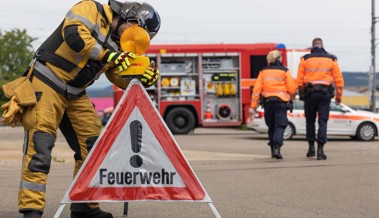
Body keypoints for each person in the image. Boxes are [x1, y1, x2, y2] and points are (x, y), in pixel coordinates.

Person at [1, 0, 161, 217]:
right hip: (46, 82)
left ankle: (84, 206)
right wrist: (108, 55)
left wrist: (141, 77)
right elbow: (74, 35)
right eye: (136, 32)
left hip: (75, 93)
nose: (133, 39)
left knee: (95, 148)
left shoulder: (120, 42)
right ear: (130, 18)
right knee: (40, 146)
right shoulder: (91, 10)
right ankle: (32, 211)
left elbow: (116, 74)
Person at [296, 38, 344, 160]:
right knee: (323, 122)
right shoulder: (331, 59)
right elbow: (339, 81)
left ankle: (311, 148)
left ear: (312, 46)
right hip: (324, 94)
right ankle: (320, 150)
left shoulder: (305, 59)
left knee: (310, 121)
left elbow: (299, 80)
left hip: (310, 94)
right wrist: (338, 97)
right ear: (322, 46)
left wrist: (301, 92)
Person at [251, 50, 297, 159]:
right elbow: (292, 89)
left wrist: (253, 105)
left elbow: (256, 90)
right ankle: (277, 148)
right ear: (279, 59)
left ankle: (272, 150)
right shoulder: (285, 71)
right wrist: (292, 99)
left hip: (268, 103)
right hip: (280, 103)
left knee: (271, 126)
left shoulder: (263, 71)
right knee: (280, 125)